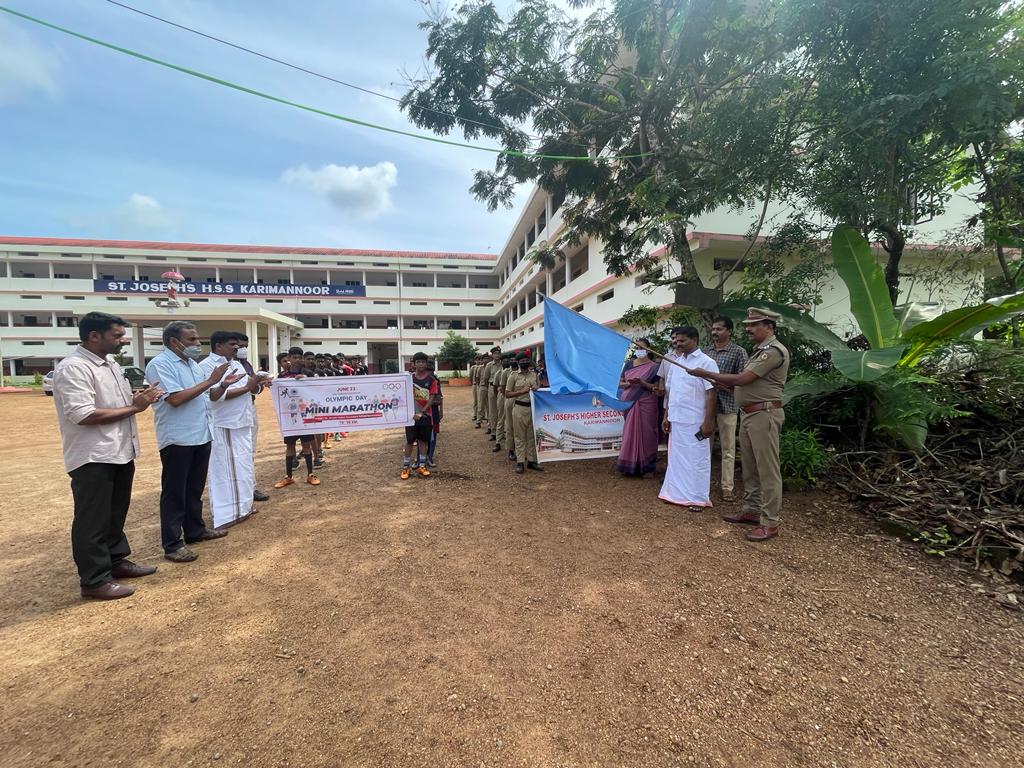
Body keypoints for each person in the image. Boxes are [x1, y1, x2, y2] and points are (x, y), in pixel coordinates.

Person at [53, 312, 165, 600]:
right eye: (117, 335)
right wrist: (135, 408)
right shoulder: (74, 368)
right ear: (94, 336)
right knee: (92, 520)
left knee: (115, 513)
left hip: (119, 451)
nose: (122, 340)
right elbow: (82, 414)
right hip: (94, 456)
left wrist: (139, 399)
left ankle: (115, 562)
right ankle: (94, 580)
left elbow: (116, 404)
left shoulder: (111, 365)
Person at [686, 308, 790, 542]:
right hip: (750, 414)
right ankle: (751, 510)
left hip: (765, 415)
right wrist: (725, 384)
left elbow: (744, 379)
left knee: (768, 470)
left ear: (769, 327)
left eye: (754, 325)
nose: (748, 329)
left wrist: (706, 373)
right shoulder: (758, 351)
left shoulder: (773, 351)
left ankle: (770, 523)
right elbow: (746, 384)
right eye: (747, 325)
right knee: (750, 467)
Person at [146, 321, 232, 563]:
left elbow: (209, 395)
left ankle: (195, 529)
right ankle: (173, 544)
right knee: (175, 492)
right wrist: (210, 380)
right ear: (174, 341)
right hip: (178, 437)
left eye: (197, 339)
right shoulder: (160, 365)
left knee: (194, 487)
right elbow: (174, 399)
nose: (197, 344)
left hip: (201, 433)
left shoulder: (192, 365)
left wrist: (222, 384)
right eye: (192, 339)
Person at [198, 331, 262, 528]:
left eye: (237, 345)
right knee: (223, 471)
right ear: (218, 345)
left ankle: (244, 508)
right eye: (232, 344)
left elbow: (248, 387)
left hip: (242, 422)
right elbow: (214, 396)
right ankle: (226, 515)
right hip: (224, 423)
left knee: (244, 467)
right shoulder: (207, 366)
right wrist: (247, 387)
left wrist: (256, 384)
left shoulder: (236, 364)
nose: (237, 348)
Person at [658, 327, 718, 510]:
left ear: (694, 340)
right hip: (677, 419)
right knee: (676, 459)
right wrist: (666, 416)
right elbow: (671, 392)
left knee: (697, 460)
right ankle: (675, 494)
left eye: (682, 341)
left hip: (695, 420)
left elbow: (712, 393)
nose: (678, 344)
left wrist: (708, 421)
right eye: (676, 341)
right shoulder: (676, 363)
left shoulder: (706, 362)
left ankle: (698, 498)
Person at [703, 316, 748, 501]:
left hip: (728, 405)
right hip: (706, 407)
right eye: (713, 329)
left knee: (728, 448)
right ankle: (701, 484)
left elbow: (744, 379)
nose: (715, 332)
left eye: (719, 329)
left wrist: (725, 385)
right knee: (703, 446)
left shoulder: (739, 352)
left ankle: (727, 487)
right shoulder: (705, 352)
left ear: (729, 331)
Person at [273, 346, 322, 487]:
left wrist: (306, 381)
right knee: (290, 446)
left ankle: (310, 474)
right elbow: (279, 393)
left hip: (305, 415)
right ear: (289, 358)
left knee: (306, 445)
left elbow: (316, 390)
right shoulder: (282, 376)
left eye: (300, 357)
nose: (297, 360)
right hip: (290, 417)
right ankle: (288, 476)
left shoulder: (308, 373)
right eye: (294, 357)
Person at [616, 338, 662, 477]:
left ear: (648, 349)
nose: (639, 350)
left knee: (648, 433)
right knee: (630, 432)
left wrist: (642, 383)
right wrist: (626, 384)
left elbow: (657, 388)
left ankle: (648, 468)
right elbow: (620, 382)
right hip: (630, 402)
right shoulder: (629, 364)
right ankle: (629, 466)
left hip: (647, 402)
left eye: (642, 348)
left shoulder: (655, 367)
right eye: (637, 348)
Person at [235, 332, 271, 502]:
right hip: (233, 413)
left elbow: (254, 390)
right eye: (238, 346)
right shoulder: (226, 366)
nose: (242, 350)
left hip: (249, 408)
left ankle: (250, 486)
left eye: (245, 346)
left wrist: (259, 383)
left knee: (250, 449)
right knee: (237, 452)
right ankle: (239, 488)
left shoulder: (246, 365)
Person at [402, 352, 439, 479]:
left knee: (423, 441)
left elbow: (432, 398)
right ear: (413, 364)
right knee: (409, 441)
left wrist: (422, 412)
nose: (421, 364)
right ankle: (406, 468)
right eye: (418, 362)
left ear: (426, 363)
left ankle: (422, 466)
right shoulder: (408, 379)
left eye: (423, 362)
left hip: (425, 416)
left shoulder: (432, 380)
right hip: (411, 417)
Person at [505, 351, 543, 474]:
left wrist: (537, 388)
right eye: (522, 361)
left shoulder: (534, 375)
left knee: (531, 436)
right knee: (519, 436)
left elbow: (539, 388)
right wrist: (521, 392)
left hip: (532, 408)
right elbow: (507, 394)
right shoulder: (513, 376)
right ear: (518, 362)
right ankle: (520, 462)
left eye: (526, 360)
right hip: (519, 408)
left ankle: (531, 461)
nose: (525, 362)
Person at [492, 354, 513, 453]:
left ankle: (511, 445)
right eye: (504, 360)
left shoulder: (513, 372)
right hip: (502, 397)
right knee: (501, 419)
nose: (506, 362)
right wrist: (499, 397)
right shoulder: (498, 373)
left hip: (511, 397)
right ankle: (498, 442)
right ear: (501, 362)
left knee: (510, 421)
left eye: (507, 360)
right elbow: (495, 387)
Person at [425, 360, 444, 467]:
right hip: (423, 411)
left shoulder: (435, 382)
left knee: (433, 435)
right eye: (428, 370)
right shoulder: (419, 381)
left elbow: (440, 398)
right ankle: (421, 457)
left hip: (434, 411)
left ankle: (430, 456)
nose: (429, 373)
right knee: (421, 435)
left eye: (431, 371)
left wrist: (441, 411)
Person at [502, 353, 519, 461]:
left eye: (514, 359)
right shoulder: (506, 372)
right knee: (510, 426)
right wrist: (508, 398)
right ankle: (511, 450)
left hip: (521, 401)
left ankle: (520, 450)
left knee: (520, 427)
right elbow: (502, 387)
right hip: (510, 400)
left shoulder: (523, 372)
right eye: (511, 360)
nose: (513, 361)